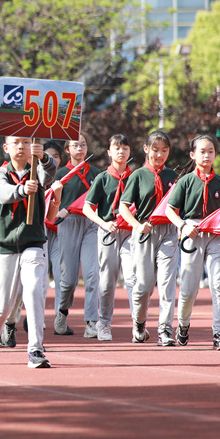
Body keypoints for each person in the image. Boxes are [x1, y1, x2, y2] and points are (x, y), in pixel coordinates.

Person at [0, 137, 58, 368]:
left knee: (34, 290)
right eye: (16, 143)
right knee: (4, 304)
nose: (21, 146)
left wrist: (43, 156)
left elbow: (50, 172)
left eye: (26, 142)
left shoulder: (38, 169)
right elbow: (3, 194)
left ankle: (35, 349)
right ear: (6, 148)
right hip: (6, 245)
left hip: (33, 241)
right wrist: (23, 189)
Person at [165, 135, 220, 351]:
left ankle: (219, 334)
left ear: (215, 154)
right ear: (192, 154)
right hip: (192, 233)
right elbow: (169, 210)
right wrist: (183, 226)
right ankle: (184, 325)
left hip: (216, 235)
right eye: (202, 151)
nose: (207, 155)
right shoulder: (185, 181)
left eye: (211, 151)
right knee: (188, 289)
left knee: (219, 286)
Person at [119, 130, 180, 346]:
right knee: (144, 286)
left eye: (164, 150)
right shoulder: (137, 175)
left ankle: (165, 330)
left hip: (169, 233)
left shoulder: (174, 177)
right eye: (155, 150)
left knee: (166, 283)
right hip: (144, 232)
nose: (160, 155)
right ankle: (139, 324)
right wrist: (137, 225)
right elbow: (123, 207)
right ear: (146, 150)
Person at [82, 134, 135, 342]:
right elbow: (87, 207)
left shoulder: (135, 177)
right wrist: (103, 223)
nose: (121, 151)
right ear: (109, 152)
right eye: (117, 148)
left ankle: (138, 324)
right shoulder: (103, 178)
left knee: (132, 278)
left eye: (125, 148)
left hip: (130, 232)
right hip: (108, 231)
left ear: (130, 151)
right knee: (107, 280)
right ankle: (103, 323)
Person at [51, 134, 101, 338]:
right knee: (68, 279)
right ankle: (62, 312)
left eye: (83, 145)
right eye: (75, 145)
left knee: (91, 275)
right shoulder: (60, 174)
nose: (80, 148)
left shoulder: (96, 173)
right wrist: (59, 207)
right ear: (67, 149)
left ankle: (91, 322)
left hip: (90, 224)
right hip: (68, 223)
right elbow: (52, 202)